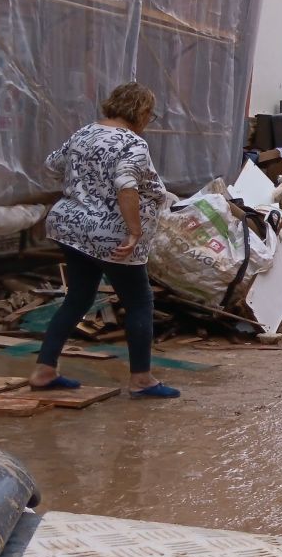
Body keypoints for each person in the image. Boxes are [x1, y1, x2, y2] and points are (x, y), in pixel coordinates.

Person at [30, 82, 178, 400]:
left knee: (79, 298)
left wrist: (83, 187)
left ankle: (44, 370)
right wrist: (134, 229)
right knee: (139, 301)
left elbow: (52, 165)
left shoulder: (83, 133)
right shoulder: (132, 143)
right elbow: (126, 183)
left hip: (70, 227)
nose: (148, 121)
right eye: (150, 115)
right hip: (111, 234)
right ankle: (142, 379)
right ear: (139, 112)